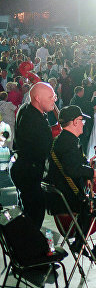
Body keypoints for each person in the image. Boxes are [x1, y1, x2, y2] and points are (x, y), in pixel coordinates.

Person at [46, 105, 96, 266]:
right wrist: (92, 173)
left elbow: (73, 166)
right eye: (81, 120)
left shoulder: (64, 139)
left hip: (63, 199)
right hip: (72, 202)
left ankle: (79, 242)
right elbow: (72, 169)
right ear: (75, 122)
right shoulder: (68, 142)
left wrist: (90, 166)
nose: (83, 123)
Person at [11, 82, 56, 226]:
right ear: (37, 98)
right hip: (28, 171)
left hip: (21, 167)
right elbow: (45, 147)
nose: (54, 99)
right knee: (34, 214)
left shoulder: (26, 108)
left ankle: (23, 244)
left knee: (27, 212)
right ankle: (28, 246)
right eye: (50, 97)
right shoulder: (34, 120)